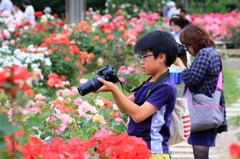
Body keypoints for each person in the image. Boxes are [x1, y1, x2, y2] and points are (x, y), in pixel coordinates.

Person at [94, 30, 178, 159]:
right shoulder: (150, 81)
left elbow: (139, 115)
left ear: (161, 57)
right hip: (136, 148)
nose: (141, 61)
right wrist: (113, 89)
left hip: (153, 151)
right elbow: (124, 107)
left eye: (144, 57)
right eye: (140, 57)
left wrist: (115, 90)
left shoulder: (165, 87)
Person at [174, 24, 228, 159]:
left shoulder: (204, 53)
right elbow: (196, 76)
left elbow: (191, 79)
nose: (187, 49)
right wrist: (185, 62)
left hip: (202, 112)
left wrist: (180, 64)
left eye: (187, 45)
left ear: (194, 42)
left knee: (200, 156)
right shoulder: (211, 52)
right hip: (205, 109)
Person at [169, 14, 188, 84]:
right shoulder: (170, 35)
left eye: (175, 25)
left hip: (184, 60)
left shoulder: (185, 35)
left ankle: (186, 95)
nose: (174, 27)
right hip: (173, 61)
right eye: (172, 25)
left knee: (184, 82)